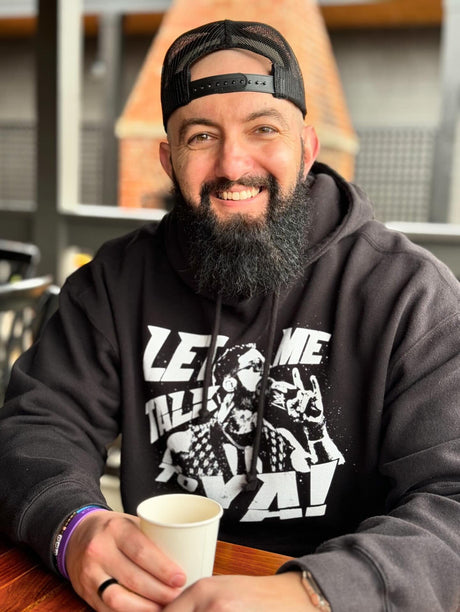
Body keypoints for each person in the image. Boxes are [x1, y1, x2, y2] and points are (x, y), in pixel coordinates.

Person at [0, 18, 459, 612]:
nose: (231, 163)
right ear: (168, 160)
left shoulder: (409, 293)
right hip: (156, 594)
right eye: (200, 136)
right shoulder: (112, 284)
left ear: (307, 147)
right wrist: (74, 526)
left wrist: (311, 594)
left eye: (263, 128)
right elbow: (36, 427)